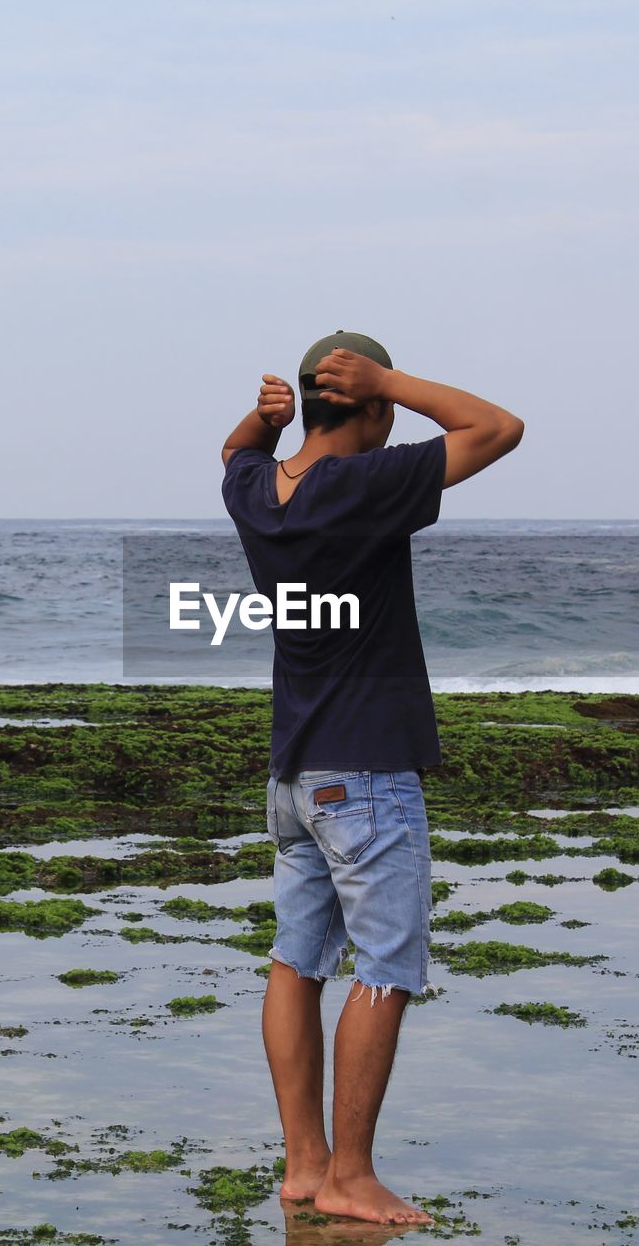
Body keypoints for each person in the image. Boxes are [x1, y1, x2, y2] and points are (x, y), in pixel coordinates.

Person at [219, 331, 523, 1226]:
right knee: (385, 966)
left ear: (307, 409)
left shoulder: (257, 495)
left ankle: (305, 1163)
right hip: (369, 774)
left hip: (294, 774)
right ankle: (351, 1174)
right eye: (386, 404)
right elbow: (497, 427)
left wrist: (265, 419)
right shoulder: (368, 485)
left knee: (295, 963)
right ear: (378, 411)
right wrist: (390, 377)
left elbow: (237, 451)